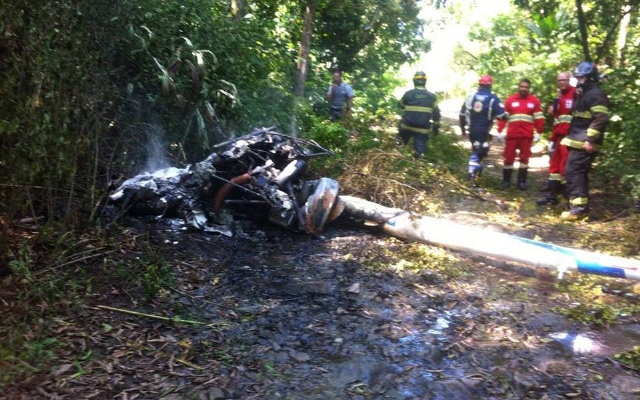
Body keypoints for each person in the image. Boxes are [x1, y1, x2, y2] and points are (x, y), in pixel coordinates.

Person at [559, 61, 609, 220]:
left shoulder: (595, 94)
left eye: (581, 78)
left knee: (574, 172)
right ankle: (578, 206)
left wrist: (590, 139)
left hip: (585, 142)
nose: (578, 80)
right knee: (576, 172)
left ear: (589, 78)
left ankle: (578, 210)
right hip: (577, 139)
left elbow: (601, 118)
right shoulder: (586, 93)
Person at [497, 78, 545, 190]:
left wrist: (539, 132)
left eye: (526, 87)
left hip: (526, 136)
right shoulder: (510, 100)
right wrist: (500, 131)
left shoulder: (534, 101)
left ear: (529, 88)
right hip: (512, 135)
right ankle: (506, 181)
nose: (524, 88)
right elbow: (503, 117)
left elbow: (539, 118)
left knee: (524, 159)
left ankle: (521, 182)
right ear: (519, 87)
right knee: (508, 158)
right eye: (522, 86)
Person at [537, 72, 576, 206]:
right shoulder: (559, 97)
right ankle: (551, 196)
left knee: (566, 167)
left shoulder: (576, 94)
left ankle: (568, 199)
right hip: (558, 137)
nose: (561, 83)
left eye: (564, 80)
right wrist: (552, 140)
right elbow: (556, 120)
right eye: (559, 80)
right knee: (554, 167)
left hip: (570, 137)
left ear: (569, 80)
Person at [459, 75, 506, 186]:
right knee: (478, 152)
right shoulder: (493, 98)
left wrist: (463, 130)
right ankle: (472, 177)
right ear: (490, 85)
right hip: (483, 131)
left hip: (473, 130)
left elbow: (461, 115)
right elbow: (502, 115)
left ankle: (476, 176)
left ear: (479, 84)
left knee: (480, 151)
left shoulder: (471, 97)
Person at [397, 71, 441, 160]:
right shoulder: (432, 97)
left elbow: (400, 105)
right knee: (419, 152)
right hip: (422, 129)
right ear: (425, 82)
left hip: (406, 126)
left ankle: (397, 158)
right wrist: (436, 127)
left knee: (400, 145)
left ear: (414, 81)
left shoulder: (408, 94)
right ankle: (417, 163)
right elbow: (436, 114)